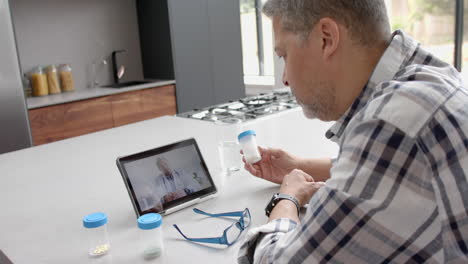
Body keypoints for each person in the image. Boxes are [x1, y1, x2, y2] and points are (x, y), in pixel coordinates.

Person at [238, 0, 468, 263]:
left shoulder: (394, 121)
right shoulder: (428, 77)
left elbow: (282, 261)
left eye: (284, 55)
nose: (285, 78)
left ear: (326, 38)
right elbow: (394, 164)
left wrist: (286, 199)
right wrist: (299, 166)